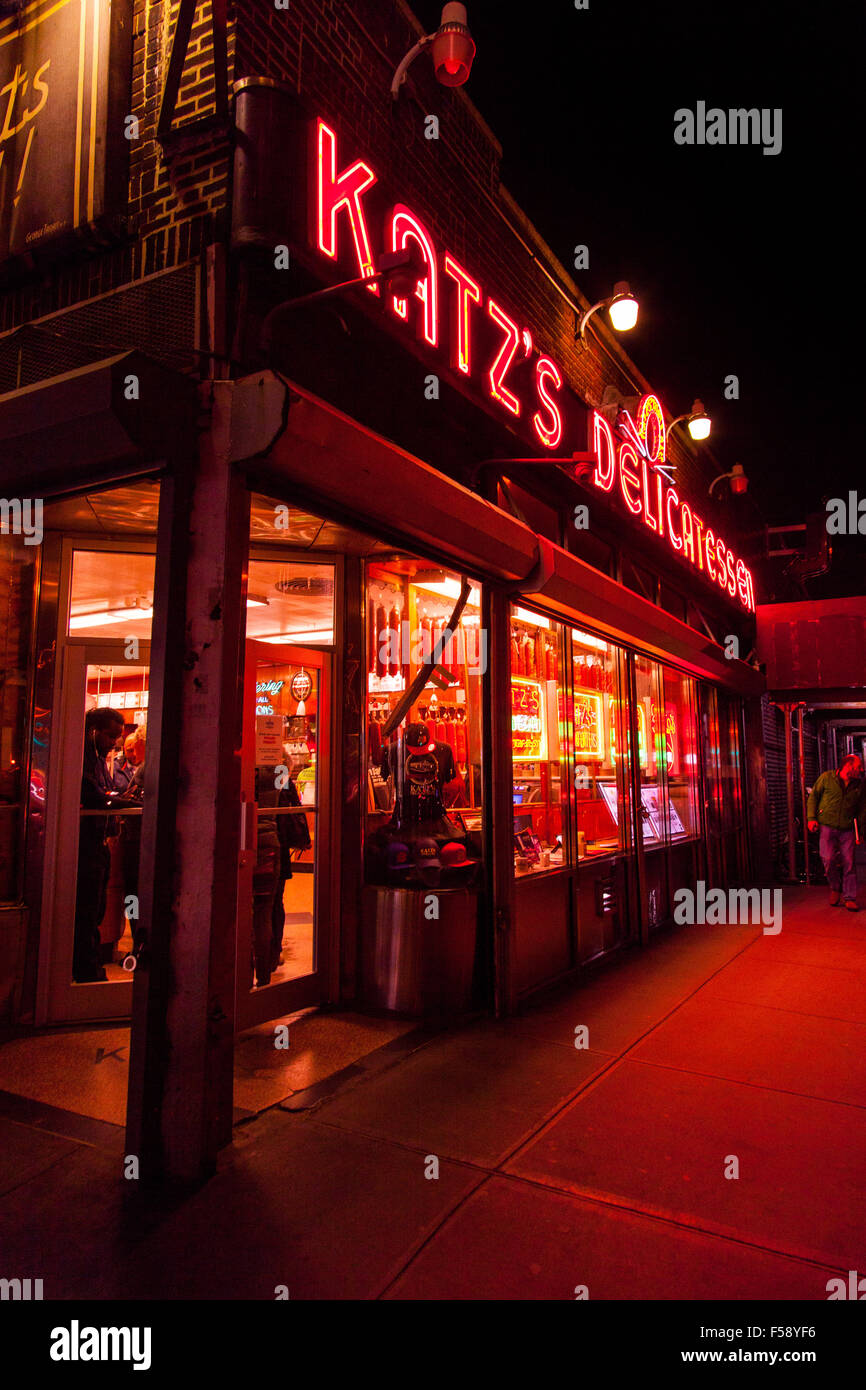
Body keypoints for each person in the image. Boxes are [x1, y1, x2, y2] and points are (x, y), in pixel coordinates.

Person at [74, 707, 126, 982]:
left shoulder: (97, 757)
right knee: (87, 909)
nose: (114, 742)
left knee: (96, 908)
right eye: (110, 735)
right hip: (85, 844)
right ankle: (86, 969)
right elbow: (92, 795)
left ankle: (89, 966)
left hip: (99, 842)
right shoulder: (81, 757)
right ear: (93, 731)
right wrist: (124, 802)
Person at [807, 754, 866, 912]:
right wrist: (811, 818)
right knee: (828, 859)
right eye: (858, 767)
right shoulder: (827, 778)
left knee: (849, 862)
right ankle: (835, 887)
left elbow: (861, 810)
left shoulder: (859, 785)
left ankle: (850, 897)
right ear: (848, 766)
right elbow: (814, 797)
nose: (860, 770)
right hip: (827, 825)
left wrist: (860, 831)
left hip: (847, 828)